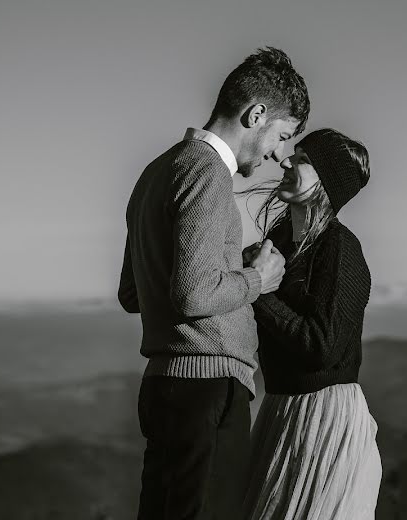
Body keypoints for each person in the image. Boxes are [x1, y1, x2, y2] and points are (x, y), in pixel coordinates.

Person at [118, 47, 309, 519]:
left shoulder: (157, 171)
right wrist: (256, 278)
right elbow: (194, 294)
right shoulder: (206, 171)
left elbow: (131, 293)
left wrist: (225, 270)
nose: (278, 155)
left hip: (169, 386)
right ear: (256, 114)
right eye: (282, 136)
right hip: (205, 386)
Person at [241, 128, 382, 520]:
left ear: (327, 182)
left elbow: (322, 346)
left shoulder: (339, 247)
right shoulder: (281, 241)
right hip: (282, 411)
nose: (285, 161)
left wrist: (259, 289)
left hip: (323, 421)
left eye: (302, 160)